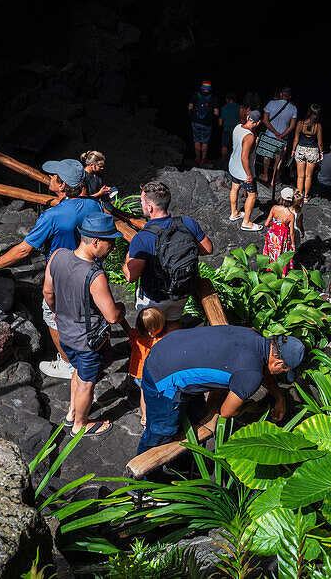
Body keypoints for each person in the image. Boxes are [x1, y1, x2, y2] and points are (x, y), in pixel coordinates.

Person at [0, 158, 102, 380]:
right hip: (88, 272)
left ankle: (69, 364)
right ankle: (90, 351)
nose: (49, 178)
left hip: (62, 277)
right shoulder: (92, 204)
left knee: (53, 316)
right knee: (86, 312)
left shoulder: (52, 217)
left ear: (62, 186)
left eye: (53, 176)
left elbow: (23, 250)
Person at [136, 326, 306, 455]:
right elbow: (226, 412)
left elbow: (263, 370)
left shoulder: (252, 335)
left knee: (195, 414)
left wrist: (279, 397)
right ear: (277, 363)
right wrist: (248, 407)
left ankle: (178, 459)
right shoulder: (251, 376)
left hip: (165, 348)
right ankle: (139, 487)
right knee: (160, 433)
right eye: (283, 372)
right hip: (163, 380)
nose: (279, 375)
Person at [42, 212, 130, 436]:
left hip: (65, 333)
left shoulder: (57, 256)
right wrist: (122, 309)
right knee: (86, 383)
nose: (113, 247)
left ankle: (72, 413)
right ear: (96, 241)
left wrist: (56, 312)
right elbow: (111, 316)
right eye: (110, 241)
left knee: (78, 372)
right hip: (87, 340)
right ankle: (80, 425)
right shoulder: (94, 275)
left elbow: (47, 292)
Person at [123, 181, 213, 328]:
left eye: (142, 202)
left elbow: (130, 276)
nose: (141, 205)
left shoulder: (142, 238)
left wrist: (128, 257)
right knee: (173, 322)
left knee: (149, 329)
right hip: (182, 291)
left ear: (150, 207)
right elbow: (207, 249)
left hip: (154, 298)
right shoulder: (187, 223)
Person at [129, 307, 166, 427]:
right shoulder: (160, 341)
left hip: (137, 373)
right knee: (151, 395)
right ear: (156, 329)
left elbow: (129, 332)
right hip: (150, 375)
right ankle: (147, 416)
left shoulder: (135, 336)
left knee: (143, 393)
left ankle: (144, 416)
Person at [228, 109, 264, 232]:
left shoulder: (238, 127)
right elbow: (245, 157)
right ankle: (246, 222)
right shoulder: (250, 136)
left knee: (235, 187)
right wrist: (249, 174)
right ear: (258, 123)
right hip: (243, 170)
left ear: (248, 117)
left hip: (233, 165)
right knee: (252, 194)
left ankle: (234, 213)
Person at [261, 87, 298, 185]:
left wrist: (274, 132)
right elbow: (292, 125)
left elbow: (265, 120)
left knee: (267, 156)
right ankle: (274, 178)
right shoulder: (293, 108)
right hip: (282, 138)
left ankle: (265, 175)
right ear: (289, 97)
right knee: (278, 159)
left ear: (281, 94)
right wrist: (281, 134)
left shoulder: (271, 103)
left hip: (269, 135)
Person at [291, 104, 323, 199]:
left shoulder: (300, 124)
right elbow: (320, 143)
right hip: (313, 151)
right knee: (308, 176)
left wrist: (293, 150)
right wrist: (321, 152)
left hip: (301, 149)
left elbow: (296, 139)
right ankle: (305, 196)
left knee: (300, 176)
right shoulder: (318, 126)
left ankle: (299, 195)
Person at [263, 187, 298, 274]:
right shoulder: (290, 215)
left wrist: (273, 228)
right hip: (283, 238)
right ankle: (281, 273)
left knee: (271, 253)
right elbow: (292, 232)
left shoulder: (274, 208)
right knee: (281, 254)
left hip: (272, 234)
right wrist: (293, 244)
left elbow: (266, 224)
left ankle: (269, 270)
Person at [188, 81, 219, 165]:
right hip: (207, 124)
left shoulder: (196, 95)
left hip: (196, 122)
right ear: (209, 89)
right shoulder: (213, 98)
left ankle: (197, 158)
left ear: (202, 88)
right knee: (205, 142)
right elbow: (216, 113)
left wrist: (193, 116)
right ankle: (203, 159)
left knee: (196, 140)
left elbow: (190, 107)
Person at [218, 92, 241, 161]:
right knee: (236, 147)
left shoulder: (224, 108)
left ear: (227, 100)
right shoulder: (240, 108)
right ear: (235, 100)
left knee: (224, 146)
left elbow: (220, 123)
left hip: (226, 129)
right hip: (237, 130)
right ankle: (234, 161)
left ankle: (224, 161)